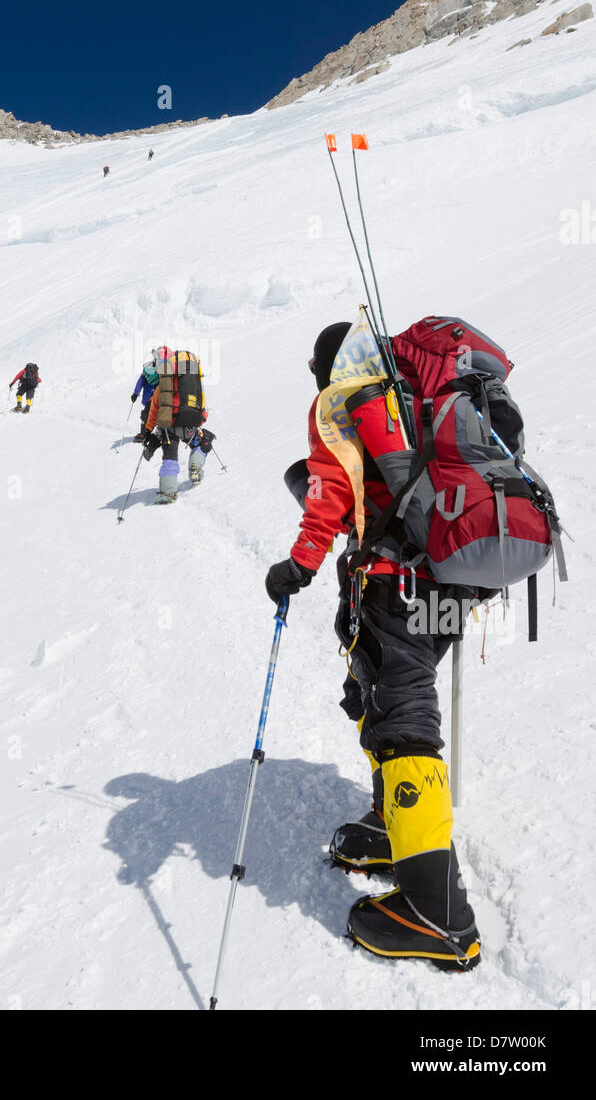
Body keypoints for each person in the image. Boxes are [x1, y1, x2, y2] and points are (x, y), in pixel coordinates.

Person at [263, 322, 481, 971]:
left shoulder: (344, 401)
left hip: (395, 587)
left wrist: (297, 566)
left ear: (330, 365)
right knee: (378, 700)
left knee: (400, 720)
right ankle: (397, 829)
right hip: (448, 584)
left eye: (315, 362)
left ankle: (437, 915)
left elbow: (327, 495)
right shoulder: (410, 401)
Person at [141, 347, 213, 503]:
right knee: (198, 444)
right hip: (191, 423)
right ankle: (196, 467)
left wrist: (148, 430)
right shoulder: (193, 383)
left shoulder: (164, 384)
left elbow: (154, 407)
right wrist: (201, 419)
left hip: (169, 426)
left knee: (170, 457)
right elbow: (202, 403)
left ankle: (167, 493)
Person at [130, 356, 159, 441]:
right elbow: (141, 380)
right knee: (147, 414)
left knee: (153, 414)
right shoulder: (149, 370)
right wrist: (136, 393)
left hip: (158, 397)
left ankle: (147, 433)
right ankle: (144, 433)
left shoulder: (165, 369)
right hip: (149, 397)